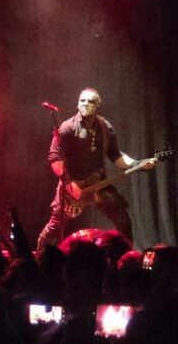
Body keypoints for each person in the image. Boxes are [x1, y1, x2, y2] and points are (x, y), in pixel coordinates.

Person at [37, 88, 156, 249]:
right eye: (82, 100)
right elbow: (54, 158)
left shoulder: (105, 128)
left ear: (98, 105)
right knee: (55, 227)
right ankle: (40, 254)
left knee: (122, 220)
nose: (85, 104)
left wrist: (137, 164)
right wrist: (69, 184)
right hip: (72, 185)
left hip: (97, 183)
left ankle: (125, 257)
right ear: (77, 104)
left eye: (90, 101)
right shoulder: (67, 127)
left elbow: (116, 156)